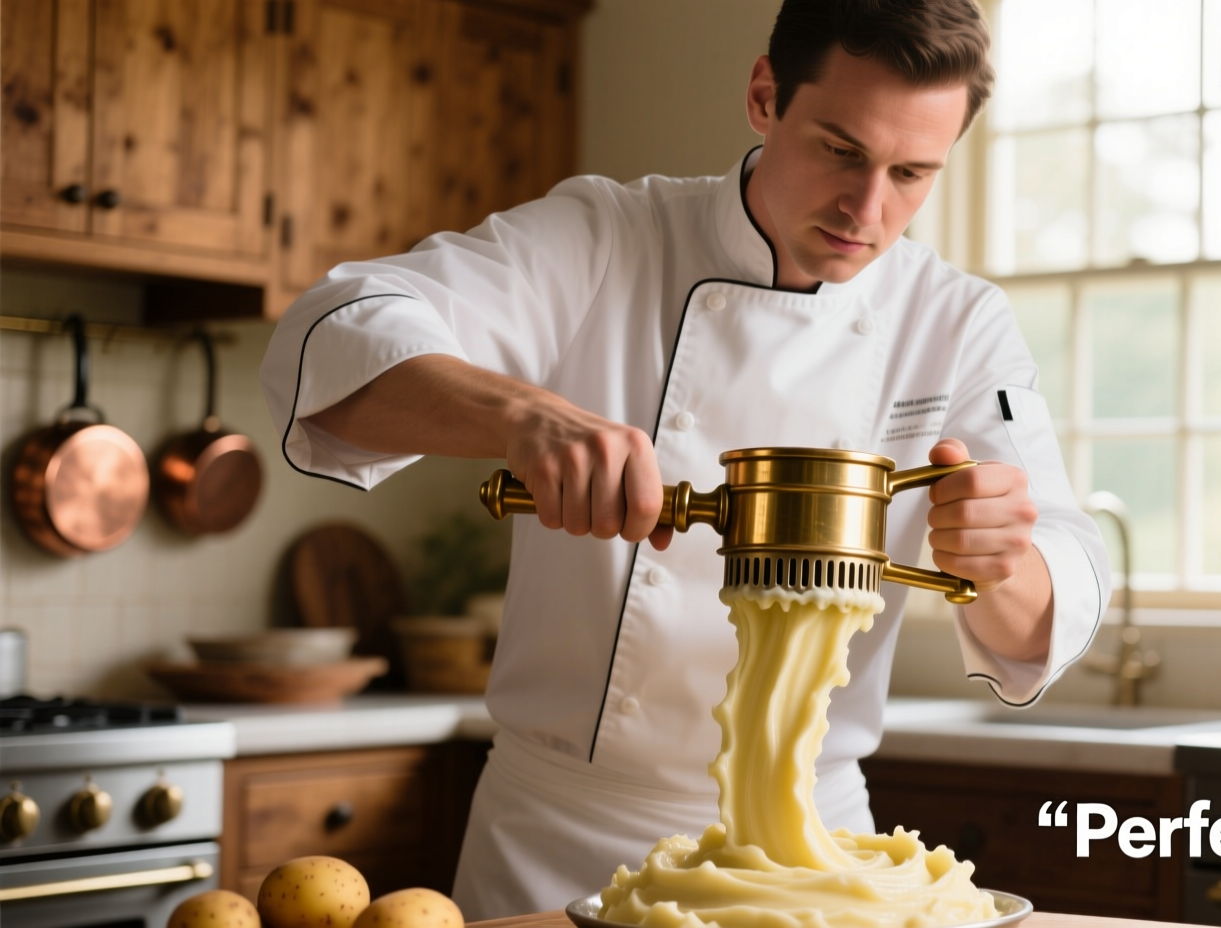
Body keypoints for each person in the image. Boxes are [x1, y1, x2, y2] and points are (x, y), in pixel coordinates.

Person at [259, 0, 1109, 917]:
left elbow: (1051, 602)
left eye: (912, 173)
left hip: (815, 859)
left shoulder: (955, 322)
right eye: (839, 150)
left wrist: (1001, 561)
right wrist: (523, 415)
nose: (868, 209)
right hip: (562, 840)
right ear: (763, 96)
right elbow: (332, 336)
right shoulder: (606, 237)